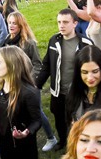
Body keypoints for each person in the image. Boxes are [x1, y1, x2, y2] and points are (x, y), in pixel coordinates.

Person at [37, 9, 94, 151]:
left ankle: (79, 144)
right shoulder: (53, 40)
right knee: (59, 118)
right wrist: (36, 85)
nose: (61, 25)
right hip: (58, 92)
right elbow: (47, 65)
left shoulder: (85, 43)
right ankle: (63, 141)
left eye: (65, 22)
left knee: (78, 120)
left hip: (78, 92)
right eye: (59, 22)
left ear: (75, 23)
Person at [5, 11, 58, 151]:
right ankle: (21, 135)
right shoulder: (7, 40)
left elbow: (38, 64)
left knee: (37, 112)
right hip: (13, 84)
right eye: (9, 22)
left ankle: (51, 138)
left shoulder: (28, 43)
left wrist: (31, 82)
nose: (11, 25)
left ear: (21, 25)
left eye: (14, 23)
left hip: (28, 84)